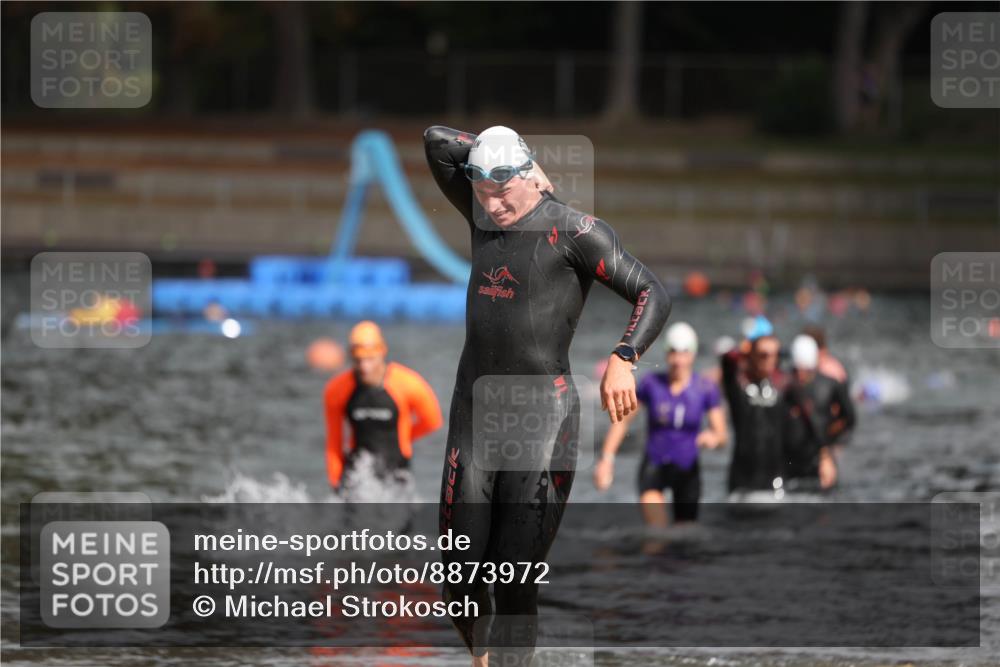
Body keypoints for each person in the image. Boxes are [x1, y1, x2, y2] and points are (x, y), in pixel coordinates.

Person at [424, 125, 670, 665]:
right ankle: (481, 660)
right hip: (474, 418)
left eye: (503, 191)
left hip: (544, 424)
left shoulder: (574, 231)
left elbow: (651, 290)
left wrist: (623, 357)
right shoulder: (483, 217)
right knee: (458, 576)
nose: (492, 205)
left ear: (528, 178)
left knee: (512, 581)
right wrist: (488, 165)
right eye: (481, 192)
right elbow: (437, 140)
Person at [594, 322, 727, 526]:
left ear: (692, 354)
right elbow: (622, 422)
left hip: (687, 469)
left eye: (684, 352)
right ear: (666, 353)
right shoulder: (651, 384)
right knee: (658, 534)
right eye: (673, 352)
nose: (678, 359)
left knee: (685, 538)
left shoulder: (705, 388)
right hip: (654, 465)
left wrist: (713, 439)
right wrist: (606, 459)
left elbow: (721, 435)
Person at [324, 321, 443, 491]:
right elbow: (334, 442)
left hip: (397, 471)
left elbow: (433, 422)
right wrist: (335, 481)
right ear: (351, 356)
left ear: (382, 352)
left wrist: (405, 435)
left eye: (370, 359)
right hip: (358, 472)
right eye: (359, 360)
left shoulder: (409, 383)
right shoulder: (337, 389)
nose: (365, 367)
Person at [782, 335, 857, 490]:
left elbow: (848, 418)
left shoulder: (830, 385)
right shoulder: (784, 385)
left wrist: (829, 443)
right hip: (788, 459)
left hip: (819, 457)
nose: (801, 376)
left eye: (806, 371)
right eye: (797, 371)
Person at [720, 325, 787, 495]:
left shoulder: (782, 387)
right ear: (752, 356)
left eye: (774, 355)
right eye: (764, 355)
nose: (769, 360)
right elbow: (727, 360)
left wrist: (824, 455)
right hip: (742, 483)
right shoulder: (739, 388)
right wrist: (746, 348)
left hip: (775, 482)